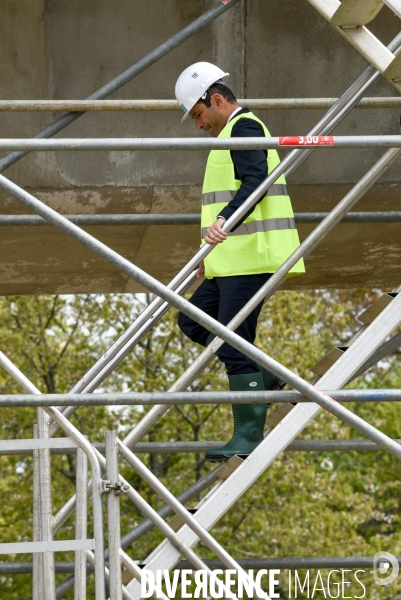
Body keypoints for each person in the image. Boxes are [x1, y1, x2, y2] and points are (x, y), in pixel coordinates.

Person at [175, 62, 305, 461]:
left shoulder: (245, 127)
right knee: (192, 319)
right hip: (229, 260)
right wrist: (209, 255)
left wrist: (221, 222)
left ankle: (247, 435)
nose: (198, 125)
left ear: (216, 100)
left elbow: (256, 183)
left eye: (198, 115)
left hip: (252, 257)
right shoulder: (231, 132)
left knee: (232, 342)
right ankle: (266, 378)